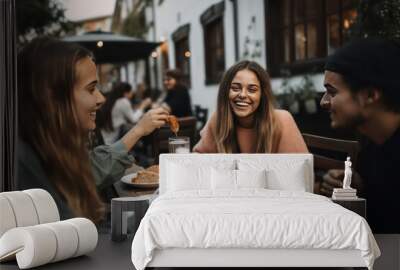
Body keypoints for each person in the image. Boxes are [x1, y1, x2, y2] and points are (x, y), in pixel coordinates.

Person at [17, 37, 169, 223]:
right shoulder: (25, 163)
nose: (101, 98)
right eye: (91, 89)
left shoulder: (56, 152)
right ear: (51, 97)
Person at [320, 38, 400, 233]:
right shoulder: (372, 143)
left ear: (370, 95)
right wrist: (356, 186)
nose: (324, 102)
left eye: (332, 92)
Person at [193, 60, 308, 153]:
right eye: (235, 88)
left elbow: (298, 170)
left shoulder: (282, 120)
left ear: (262, 95)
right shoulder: (218, 119)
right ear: (225, 92)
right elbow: (198, 159)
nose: (243, 95)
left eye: (252, 89)